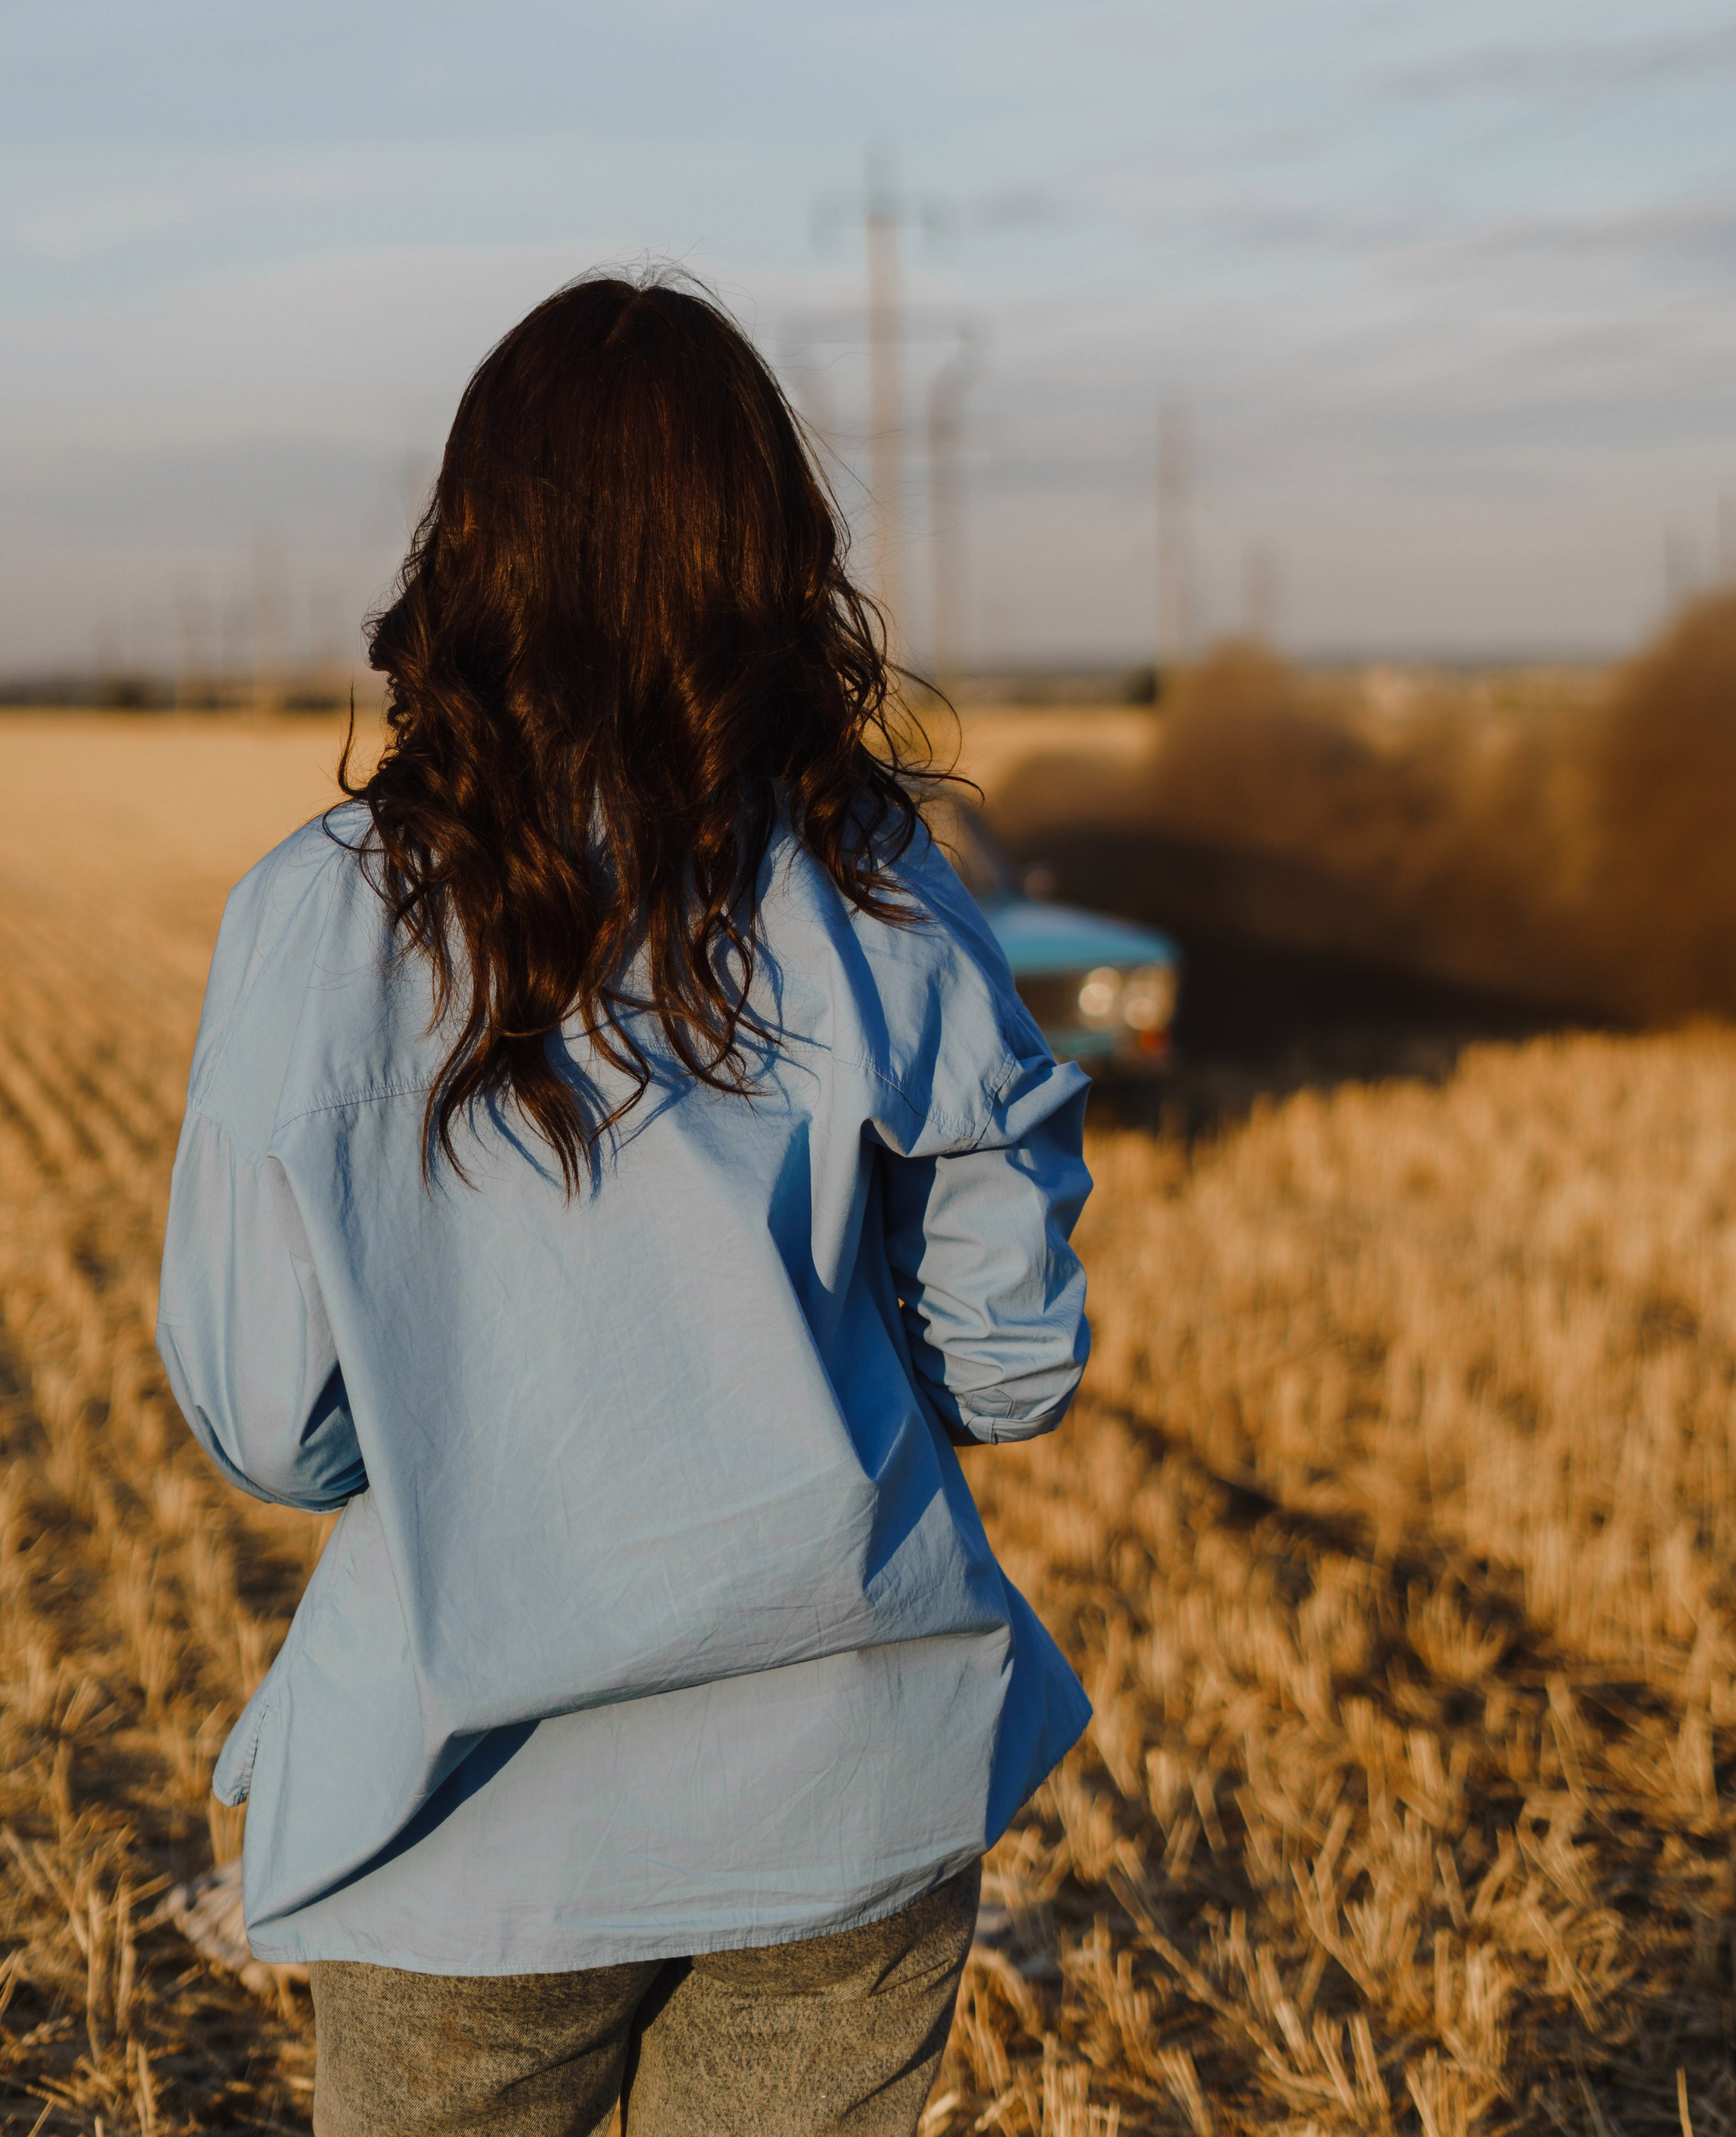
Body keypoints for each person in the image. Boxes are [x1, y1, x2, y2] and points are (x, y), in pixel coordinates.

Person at [156, 275, 1093, 2137]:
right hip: (845, 1783)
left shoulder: (314, 915)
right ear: (771, 557)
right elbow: (1011, 1359)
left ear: (473, 544)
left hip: (467, 1810)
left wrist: (472, 1437)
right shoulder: (883, 885)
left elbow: (274, 1422)